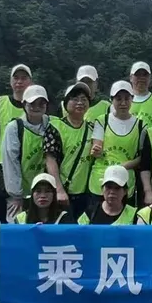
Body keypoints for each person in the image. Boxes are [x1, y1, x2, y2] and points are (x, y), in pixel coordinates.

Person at [86, 81, 146, 204]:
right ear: (111, 100)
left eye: (127, 99)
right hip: (101, 180)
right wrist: (96, 151)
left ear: (132, 99)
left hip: (125, 182)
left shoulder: (141, 125)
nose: (123, 103)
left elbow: (142, 157)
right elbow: (96, 147)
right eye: (118, 99)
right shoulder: (102, 120)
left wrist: (123, 166)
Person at [45, 83, 96, 220]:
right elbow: (50, 160)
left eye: (84, 99)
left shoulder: (93, 129)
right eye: (75, 99)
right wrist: (59, 189)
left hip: (86, 194)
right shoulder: (55, 127)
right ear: (66, 103)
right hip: (63, 193)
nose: (80, 103)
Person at [2, 85, 53, 222]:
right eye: (32, 103)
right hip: (21, 194)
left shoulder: (52, 123)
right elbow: (10, 162)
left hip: (46, 192)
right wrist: (16, 195)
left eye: (41, 103)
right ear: (24, 104)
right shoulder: (14, 128)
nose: (36, 107)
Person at [0, 63, 31, 180]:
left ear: (30, 82)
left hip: (30, 164)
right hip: (3, 163)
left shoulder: (36, 106)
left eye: (24, 78)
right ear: (10, 81)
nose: (19, 81)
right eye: (16, 78)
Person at [129, 61, 152, 127]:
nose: (141, 78)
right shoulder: (122, 101)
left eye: (145, 75)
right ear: (131, 77)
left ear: (150, 77)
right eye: (138, 75)